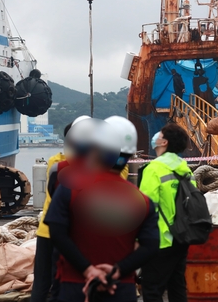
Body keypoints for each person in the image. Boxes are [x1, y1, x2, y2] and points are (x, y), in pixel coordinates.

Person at [45, 119, 160, 302]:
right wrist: (118, 270)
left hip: (75, 287)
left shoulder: (70, 189)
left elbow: (57, 233)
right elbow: (151, 245)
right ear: (128, 157)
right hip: (120, 289)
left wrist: (88, 269)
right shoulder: (143, 201)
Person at [31, 115, 90, 302]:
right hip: (69, 235)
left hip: (46, 229)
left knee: (41, 281)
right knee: (66, 282)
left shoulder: (54, 162)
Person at [139, 123, 195, 302]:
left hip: (160, 239)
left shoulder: (154, 169)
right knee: (177, 287)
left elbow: (145, 207)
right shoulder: (185, 168)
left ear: (164, 142)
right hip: (181, 237)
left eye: (160, 135)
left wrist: (137, 239)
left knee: (152, 290)